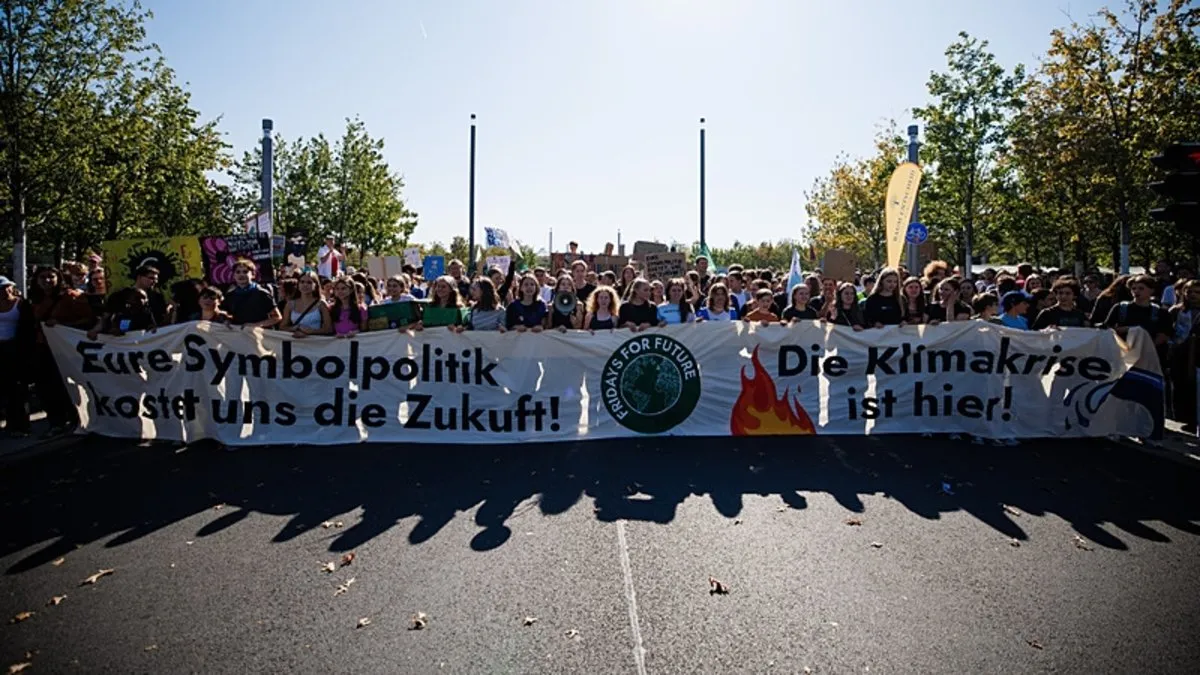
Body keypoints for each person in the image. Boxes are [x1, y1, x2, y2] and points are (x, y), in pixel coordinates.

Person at [0, 276, 35, 436]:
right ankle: (7, 422)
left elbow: (28, 326)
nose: (3, 291)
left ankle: (21, 425)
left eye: (5, 287)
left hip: (16, 349)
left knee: (17, 388)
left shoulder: (21, 304)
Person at [1102, 274, 1170, 348]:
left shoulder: (1160, 312)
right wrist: (1127, 329)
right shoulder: (1120, 308)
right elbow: (1107, 329)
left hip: (1150, 353)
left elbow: (1164, 335)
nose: (1136, 291)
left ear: (1151, 290)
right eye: (1133, 288)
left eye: (1141, 288)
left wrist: (1147, 348)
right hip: (1123, 351)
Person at [1168, 279, 1200, 432]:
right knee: (1180, 385)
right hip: (1179, 352)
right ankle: (1185, 417)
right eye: (1189, 291)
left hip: (1197, 352)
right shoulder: (1176, 310)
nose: (1193, 295)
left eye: (1197, 292)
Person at [221, 261, 281, 328]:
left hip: (258, 335)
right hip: (238, 335)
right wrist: (227, 320)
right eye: (238, 272)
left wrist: (255, 325)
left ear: (253, 275)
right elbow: (225, 313)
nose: (241, 275)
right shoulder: (230, 296)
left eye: (245, 272)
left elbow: (277, 317)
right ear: (234, 275)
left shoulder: (262, 293)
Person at [281, 271, 331, 337]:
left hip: (317, 344)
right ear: (298, 284)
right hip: (296, 343)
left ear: (315, 285)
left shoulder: (321, 304)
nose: (305, 285)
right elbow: (282, 327)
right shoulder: (290, 304)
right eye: (302, 282)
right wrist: (294, 328)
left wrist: (311, 332)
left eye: (309, 282)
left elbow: (329, 329)